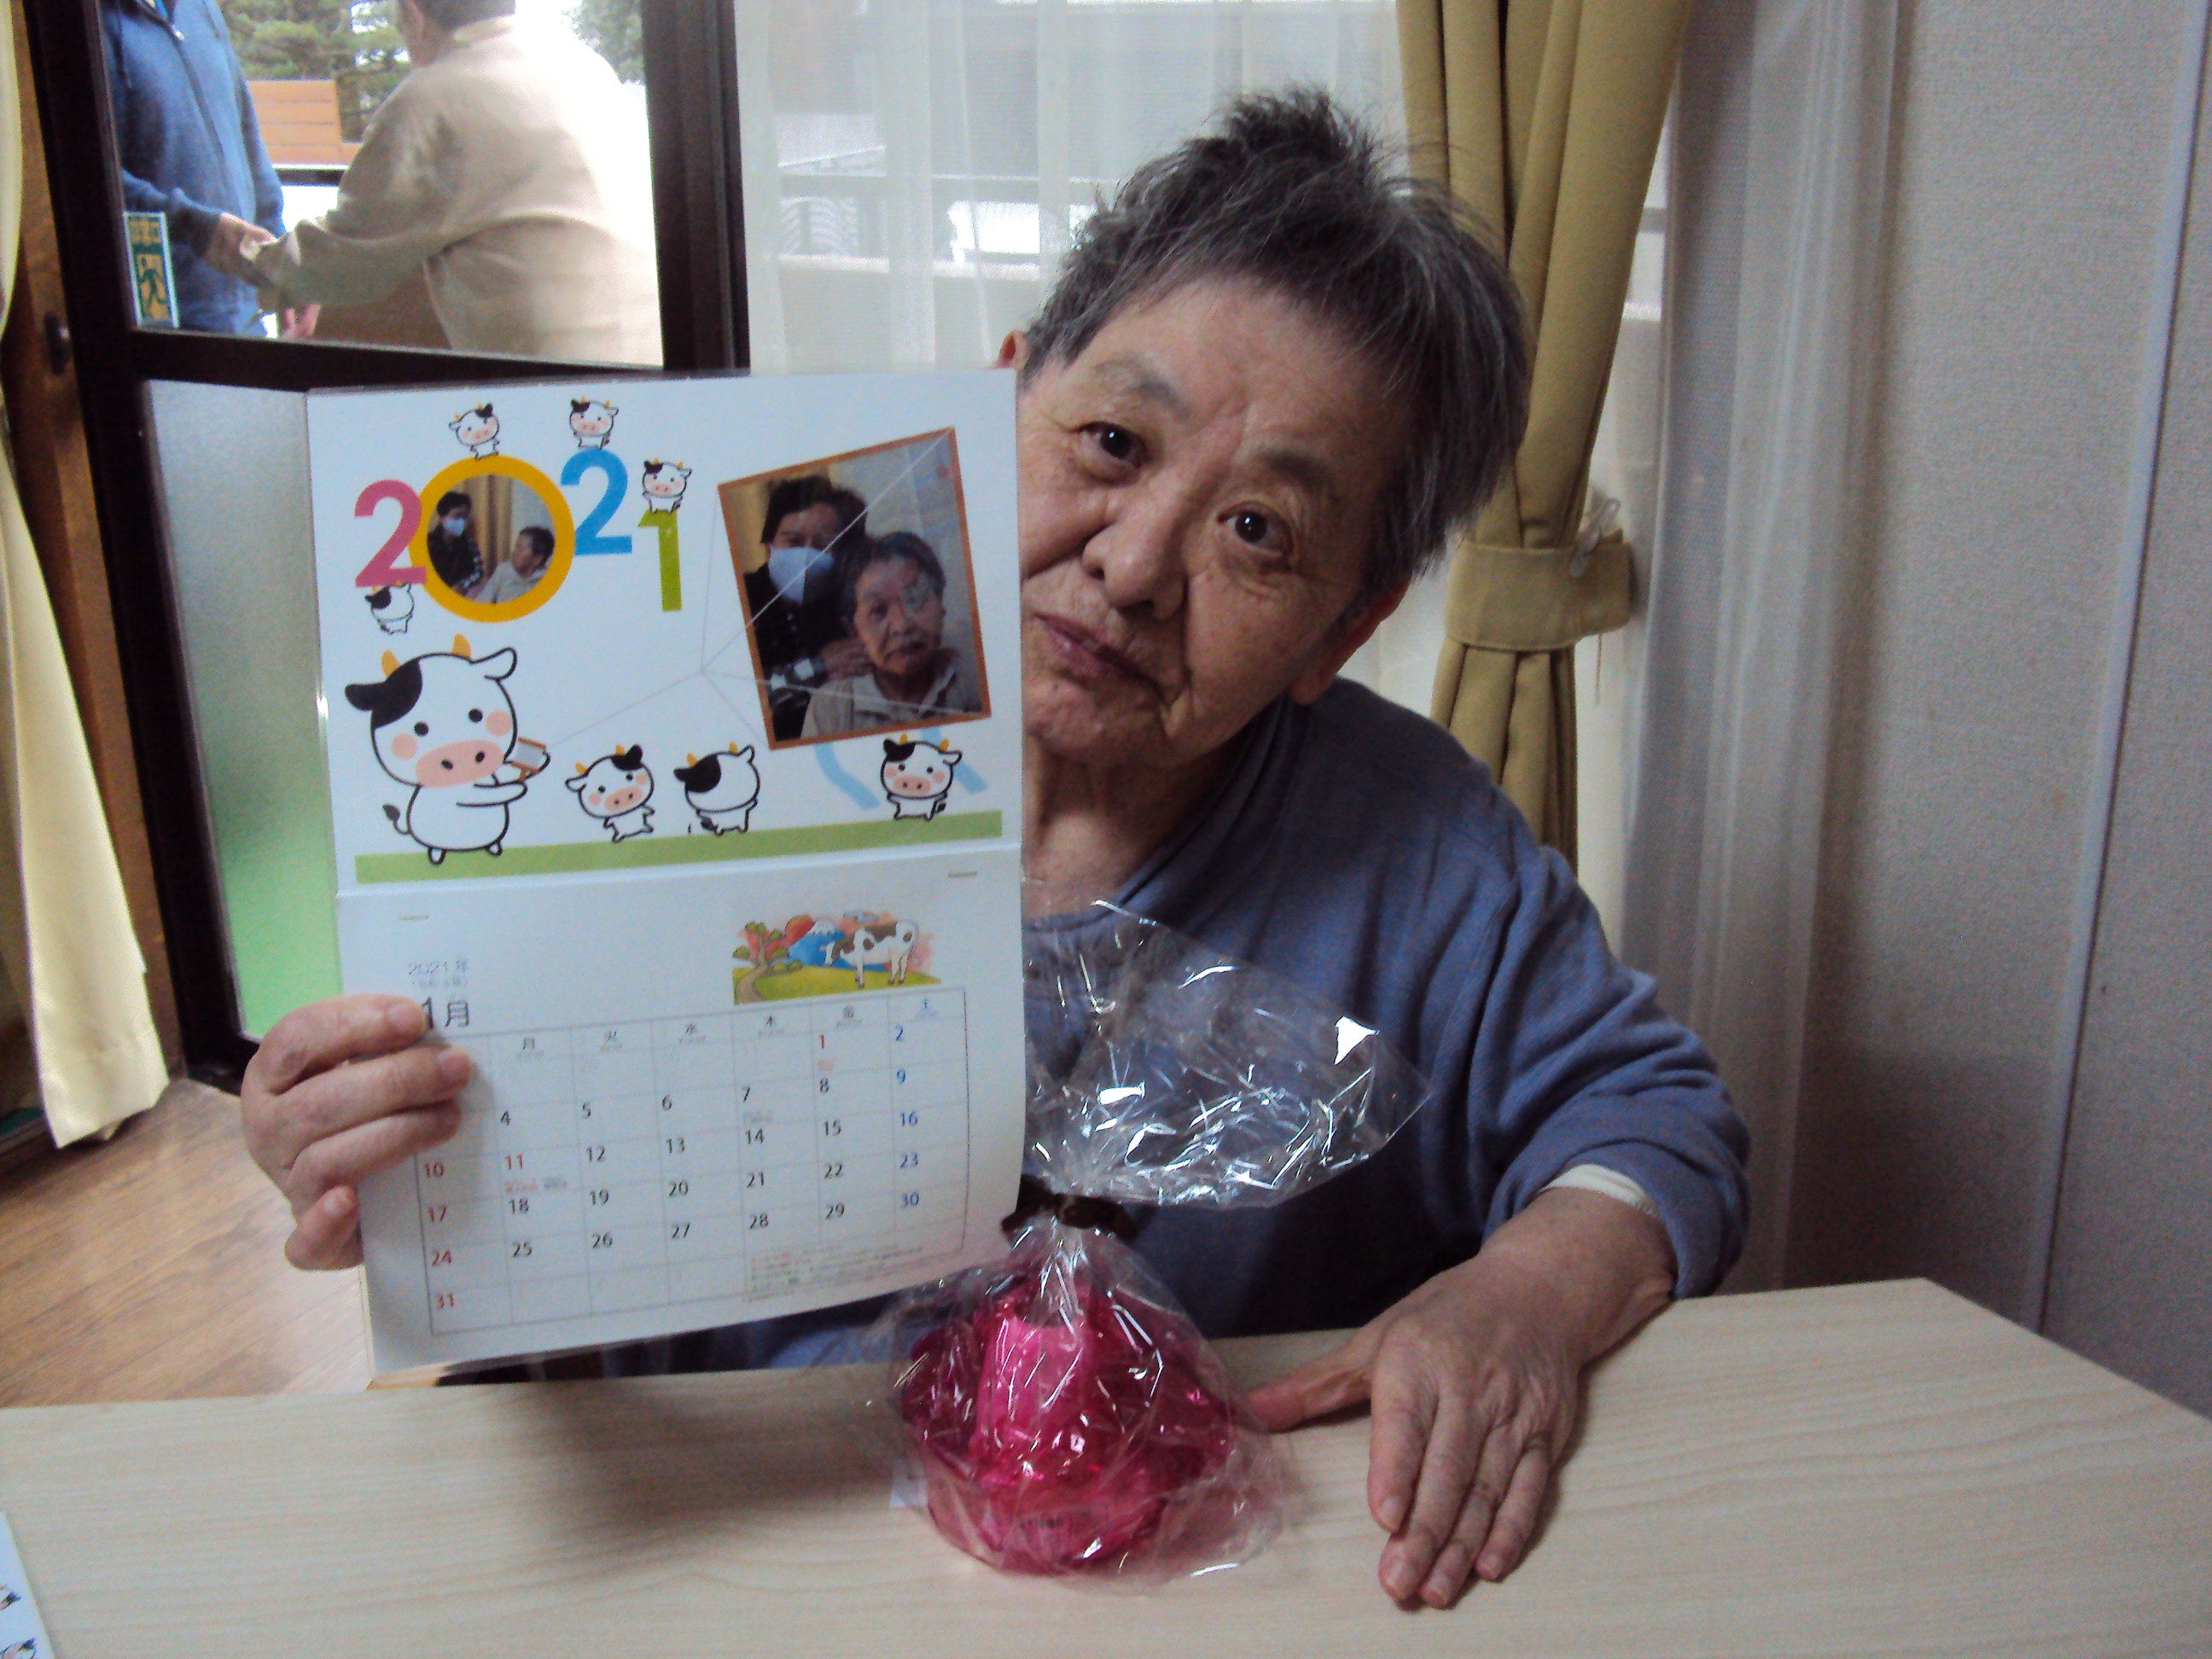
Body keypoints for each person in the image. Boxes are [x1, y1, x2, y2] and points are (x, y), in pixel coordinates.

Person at [238, 91, 1749, 1609]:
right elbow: (516, 1272)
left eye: (1258, 532)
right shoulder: (678, 748)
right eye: (1111, 443)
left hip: (1183, 1578)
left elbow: (1655, 1123)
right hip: (713, 1544)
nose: (1135, 564)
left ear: (1345, 626)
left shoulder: (1411, 845)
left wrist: (1521, 1296)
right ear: (990, 405)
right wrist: (382, 1140)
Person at [240, 0, 660, 364]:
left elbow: (342, 259)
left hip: (556, 395)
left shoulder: (432, 99)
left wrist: (244, 254)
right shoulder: (582, 64)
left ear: (413, 13)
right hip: (659, 371)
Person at [99, 0, 315, 337]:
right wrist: (198, 229)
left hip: (246, 321)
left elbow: (245, 134)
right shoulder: (87, 24)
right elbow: (88, 182)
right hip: (164, 328)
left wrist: (282, 252)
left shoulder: (200, 8)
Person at [800, 532, 984, 738]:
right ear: (854, 631)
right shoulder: (830, 709)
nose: (901, 625)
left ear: (940, 602)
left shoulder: (976, 678)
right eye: (878, 610)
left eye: (914, 599)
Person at [742, 475, 873, 740]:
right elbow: (729, 700)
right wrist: (817, 668)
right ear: (769, 546)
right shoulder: (739, 599)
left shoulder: (853, 602)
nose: (806, 557)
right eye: (793, 542)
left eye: (823, 546)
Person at [475, 525, 553, 605]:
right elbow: (481, 603)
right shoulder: (503, 571)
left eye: (520, 549)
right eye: (516, 547)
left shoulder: (547, 582)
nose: (514, 552)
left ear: (537, 559)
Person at [423, 491, 483, 593]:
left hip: (462, 592)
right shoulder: (427, 543)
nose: (461, 522)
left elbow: (478, 571)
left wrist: (462, 585)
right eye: (457, 516)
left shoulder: (470, 544)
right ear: (443, 518)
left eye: (465, 517)